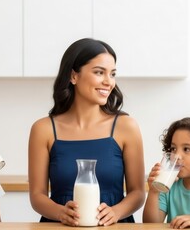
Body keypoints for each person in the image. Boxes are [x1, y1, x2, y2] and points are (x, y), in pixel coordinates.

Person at [28, 38, 145, 226]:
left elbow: (138, 192)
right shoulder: (43, 129)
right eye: (99, 72)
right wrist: (60, 212)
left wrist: (116, 212)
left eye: (112, 74)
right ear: (74, 76)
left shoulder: (126, 127)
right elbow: (36, 195)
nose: (108, 82)